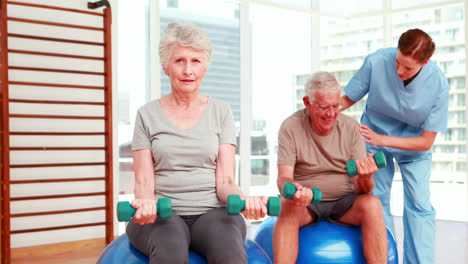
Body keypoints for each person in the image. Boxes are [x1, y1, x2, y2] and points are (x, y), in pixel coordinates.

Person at [126, 22, 268, 264]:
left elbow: (225, 182)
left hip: (214, 212)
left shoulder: (221, 112)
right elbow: (143, 180)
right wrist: (147, 203)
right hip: (163, 213)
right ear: (165, 67)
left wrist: (245, 201)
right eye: (179, 60)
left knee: (230, 253)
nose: (187, 70)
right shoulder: (146, 115)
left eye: (196, 61)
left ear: (205, 68)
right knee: (169, 252)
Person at [340, 28, 449, 264]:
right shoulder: (377, 61)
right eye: (398, 62)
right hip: (373, 137)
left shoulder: (438, 83)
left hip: (414, 145)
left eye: (408, 68)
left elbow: (426, 141)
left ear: (425, 62)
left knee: (419, 205)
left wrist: (383, 139)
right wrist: (325, 111)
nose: (399, 71)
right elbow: (348, 98)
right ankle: (385, 258)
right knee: (376, 198)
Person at [273, 71, 388, 264]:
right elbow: (283, 178)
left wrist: (366, 177)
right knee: (287, 206)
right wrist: (296, 192)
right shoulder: (290, 127)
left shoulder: (351, 129)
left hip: (345, 202)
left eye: (336, 106)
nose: (331, 113)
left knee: (372, 203)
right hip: (306, 203)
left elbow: (362, 190)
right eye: (324, 107)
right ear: (307, 103)